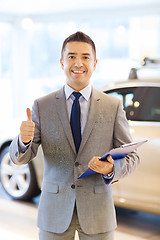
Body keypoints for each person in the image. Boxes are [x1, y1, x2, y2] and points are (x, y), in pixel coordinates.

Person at [10, 31, 139, 240]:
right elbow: (20, 158)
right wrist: (23, 141)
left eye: (85, 57)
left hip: (98, 214)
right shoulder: (42, 106)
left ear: (95, 63)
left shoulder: (112, 106)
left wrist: (110, 169)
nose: (78, 63)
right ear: (62, 62)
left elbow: (132, 157)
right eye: (71, 56)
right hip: (54, 213)